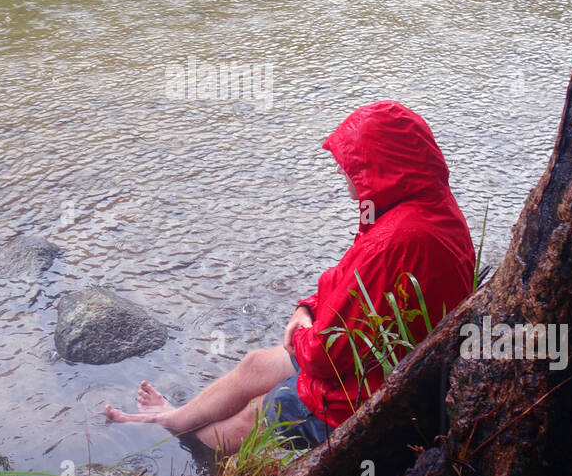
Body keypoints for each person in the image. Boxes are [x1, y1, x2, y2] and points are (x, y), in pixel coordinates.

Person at [104, 100, 475, 453]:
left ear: (381, 167)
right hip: (389, 361)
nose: (341, 170)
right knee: (256, 365)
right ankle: (176, 418)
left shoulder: (397, 240)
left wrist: (300, 333)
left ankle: (191, 445)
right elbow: (351, 284)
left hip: (370, 393)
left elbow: (326, 357)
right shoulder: (422, 205)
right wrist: (307, 309)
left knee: (265, 407)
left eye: (352, 163)